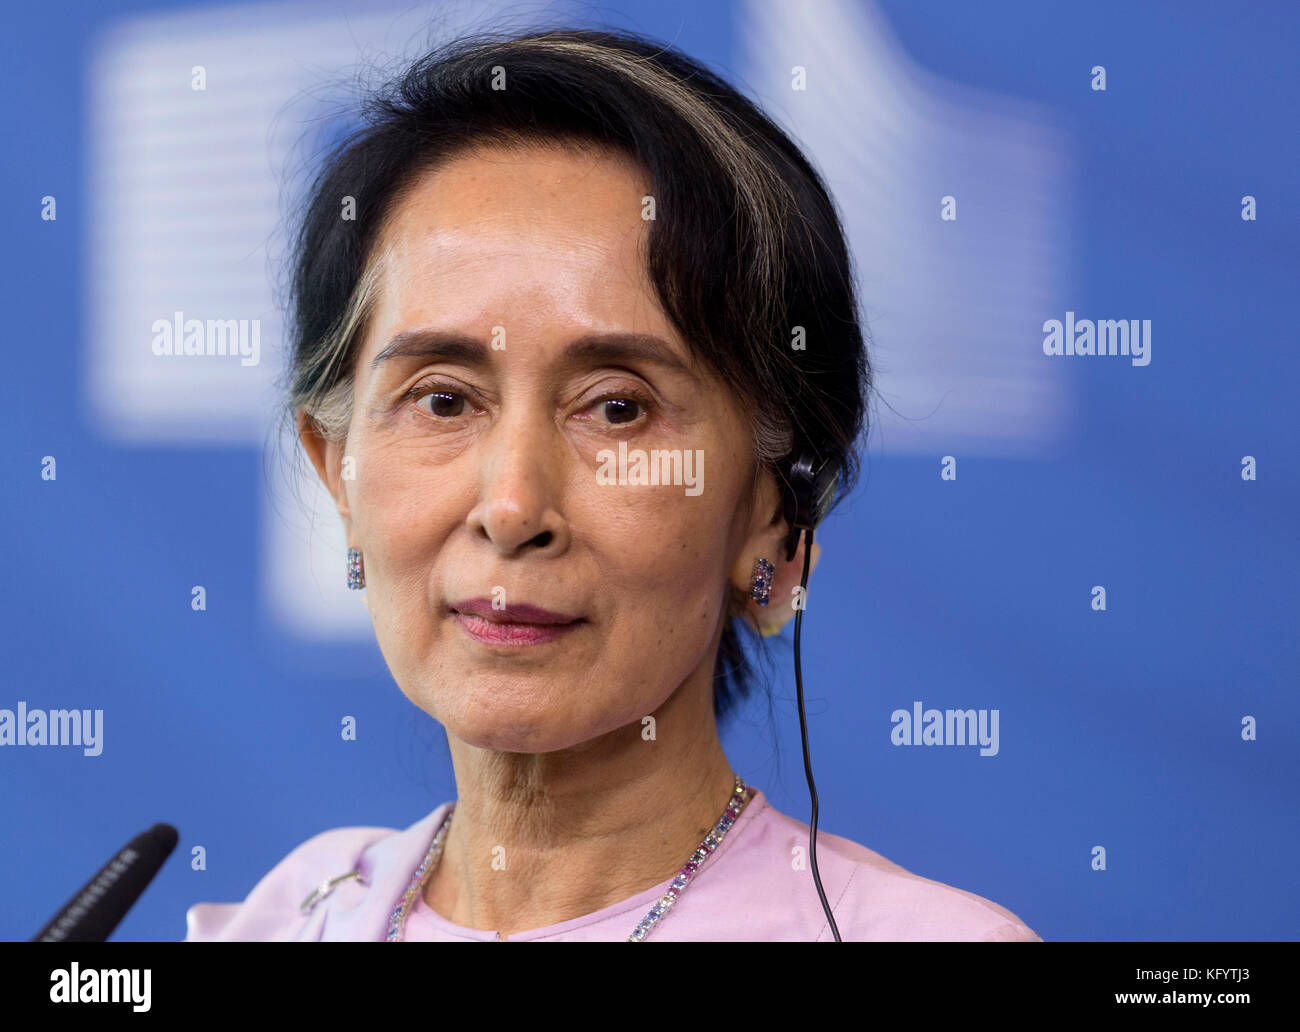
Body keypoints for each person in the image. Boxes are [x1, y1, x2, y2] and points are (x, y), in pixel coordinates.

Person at [185, 26, 1040, 942]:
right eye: (442, 400)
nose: (512, 508)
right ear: (336, 470)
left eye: (618, 409)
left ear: (776, 518)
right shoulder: (299, 913)